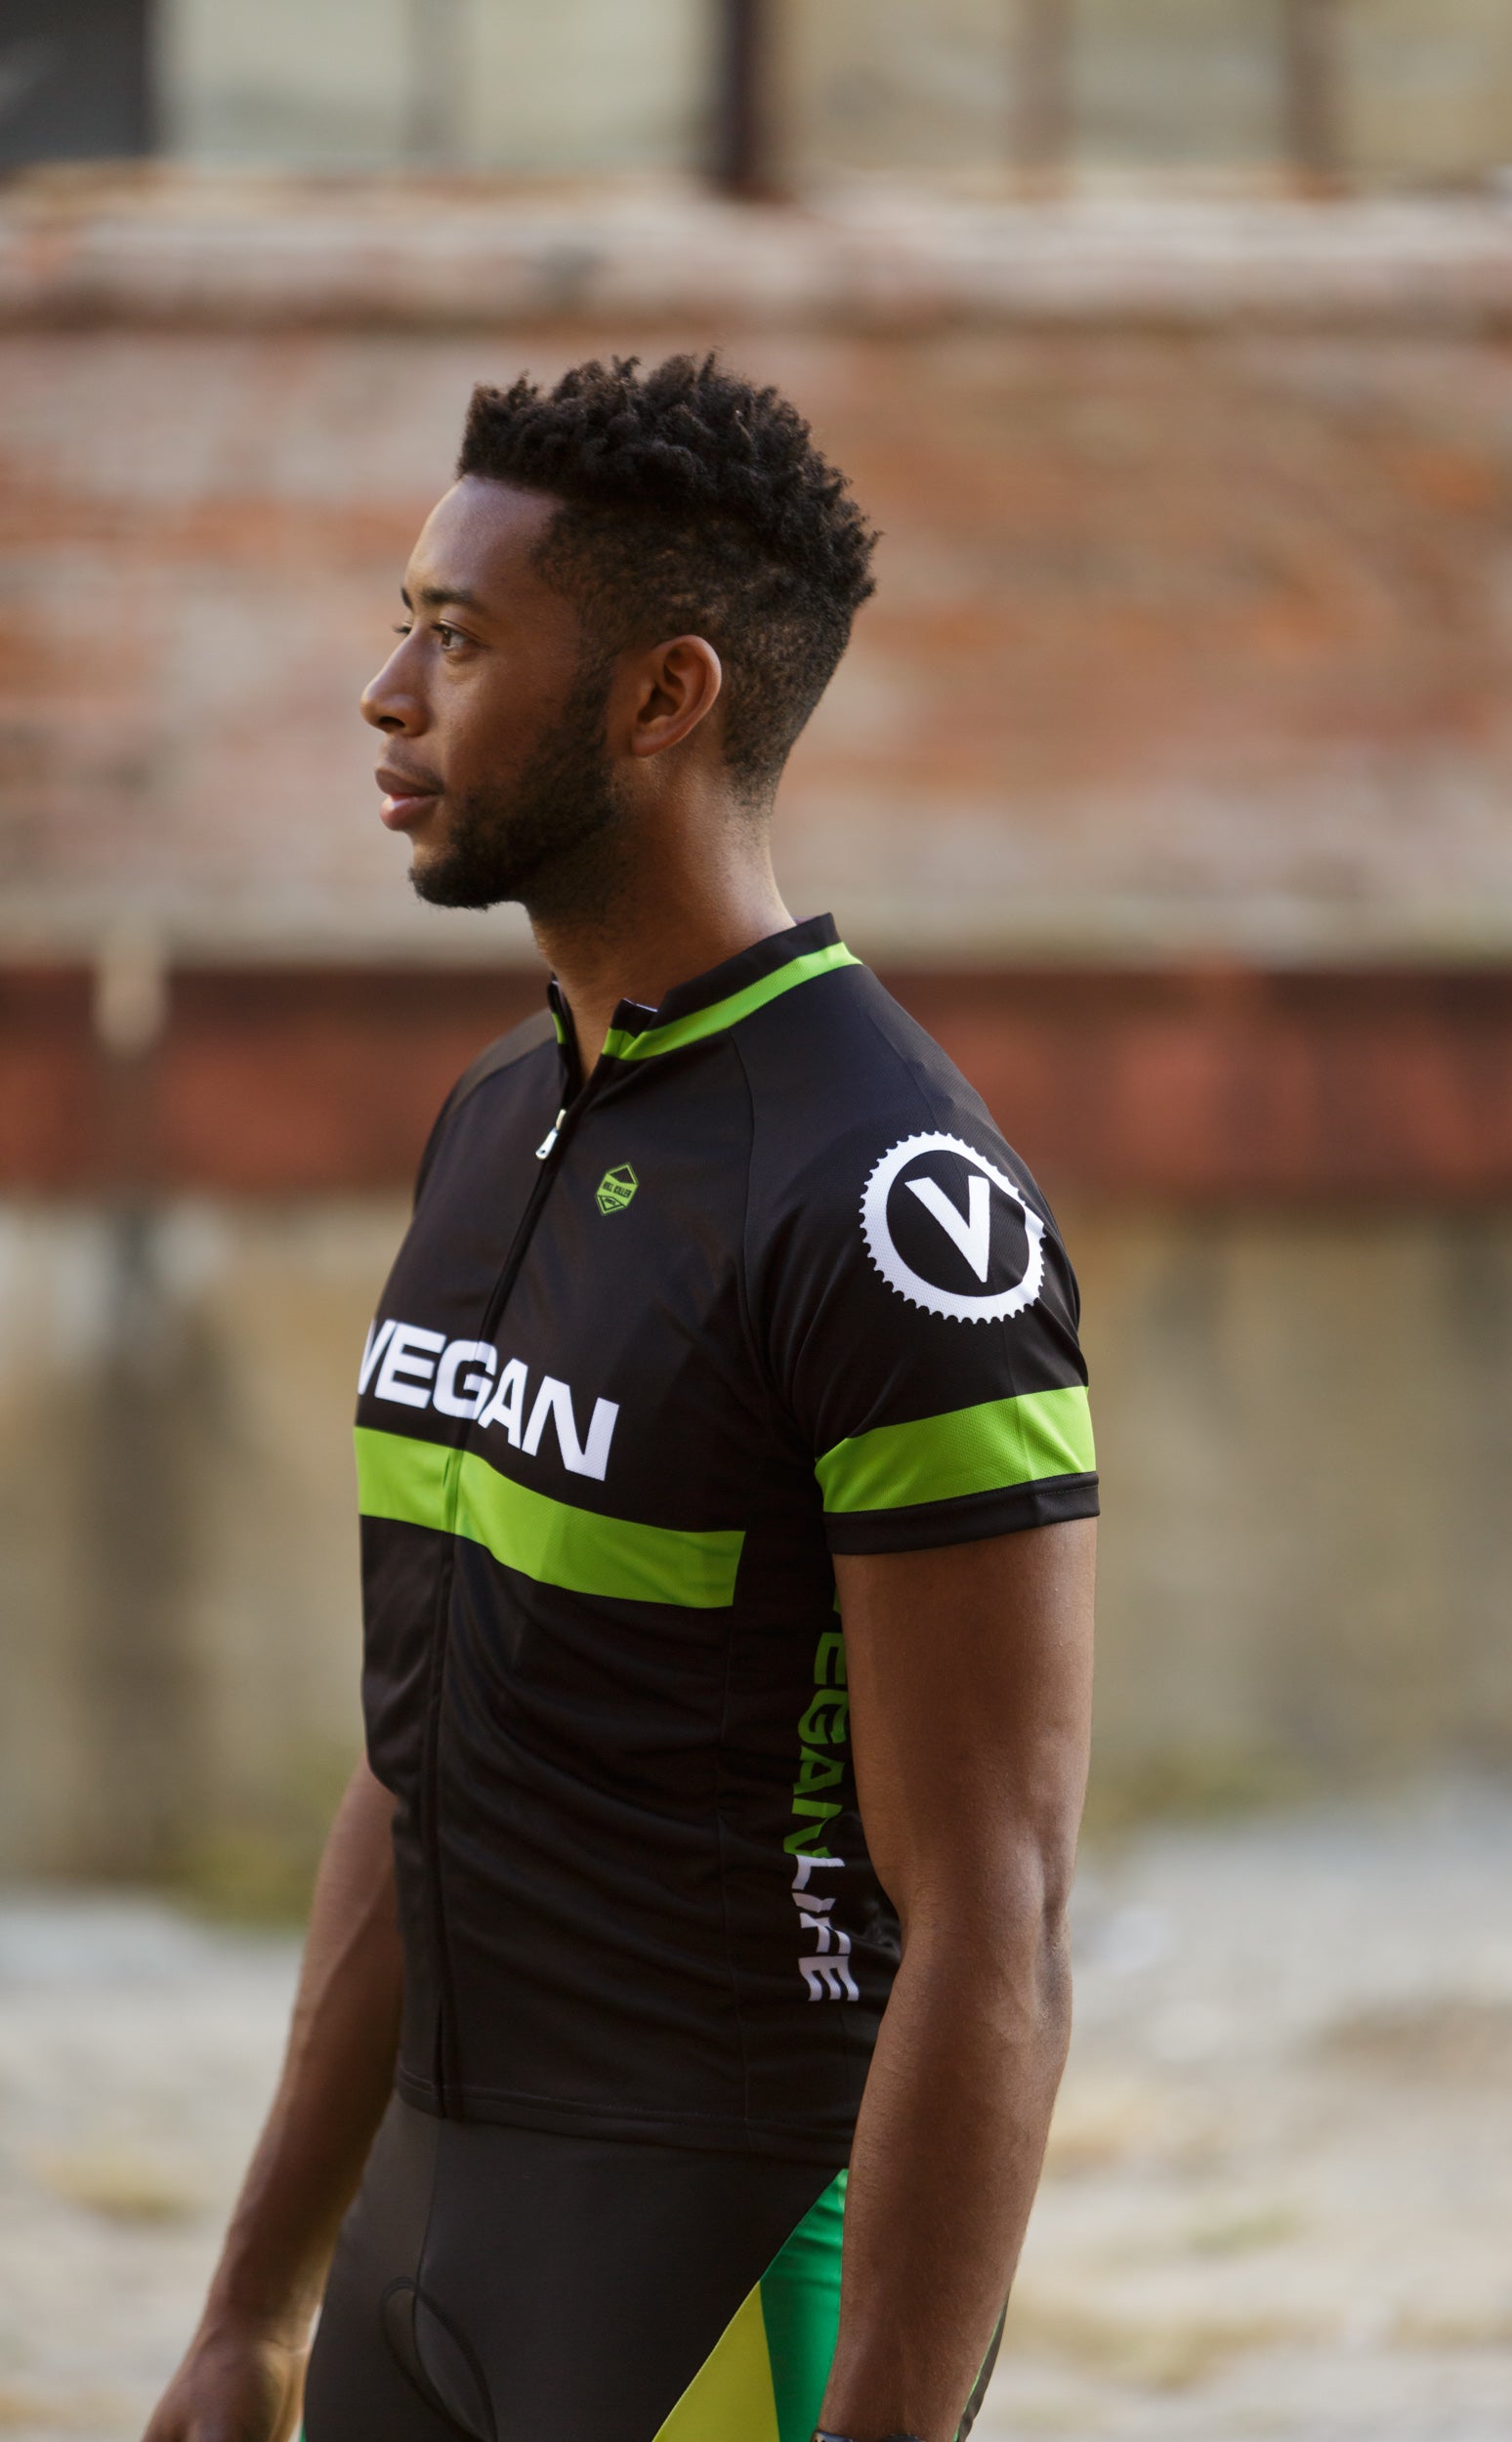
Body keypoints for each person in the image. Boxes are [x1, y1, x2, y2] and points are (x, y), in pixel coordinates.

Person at [143, 355, 1097, 2442]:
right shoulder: (499, 1113)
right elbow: (418, 1756)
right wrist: (250, 2303)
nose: (387, 694)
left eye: (459, 639)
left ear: (666, 698)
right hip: (420, 2256)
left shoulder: (894, 1203)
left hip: (715, 2269)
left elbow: (1000, 1908)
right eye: (405, 624)